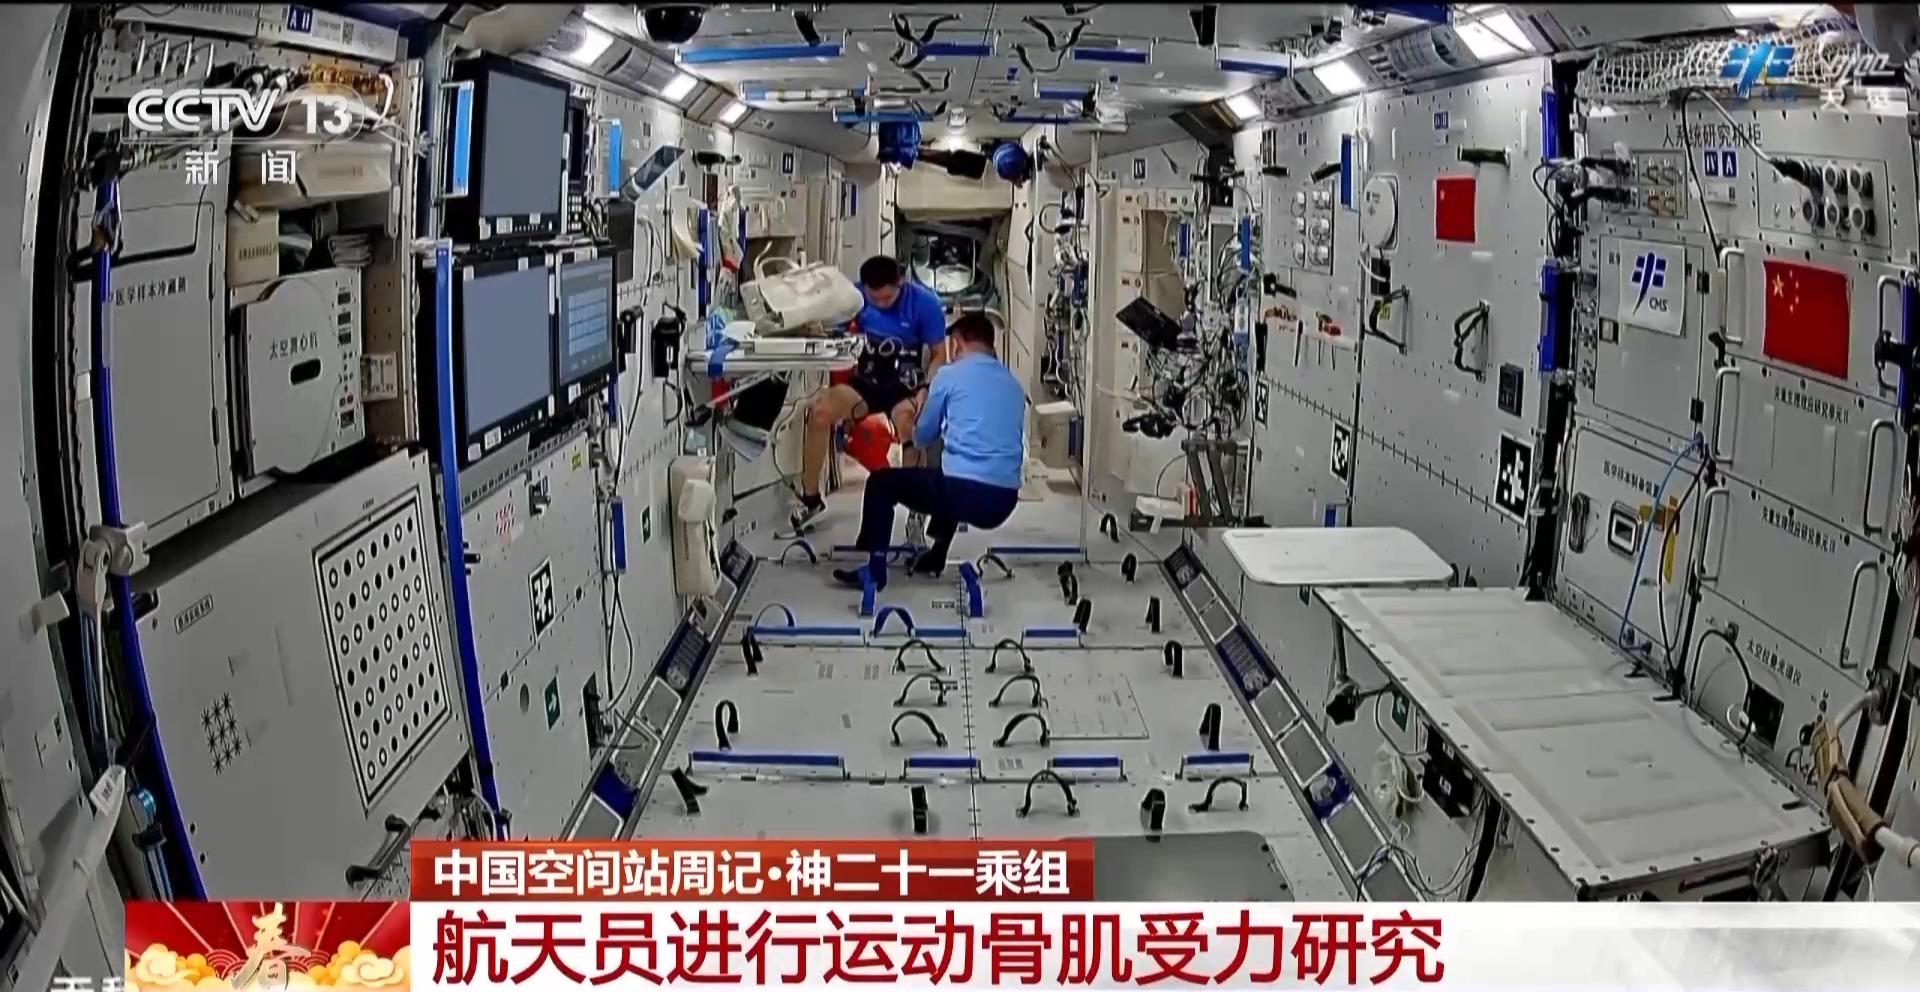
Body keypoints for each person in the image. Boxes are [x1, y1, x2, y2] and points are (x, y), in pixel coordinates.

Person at [833, 312, 1025, 589]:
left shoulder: (949, 375)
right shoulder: (1013, 385)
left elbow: (922, 437)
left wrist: (918, 408)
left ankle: (874, 569)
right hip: (1003, 502)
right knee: (950, 471)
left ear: (956, 346)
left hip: (962, 493)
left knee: (881, 484)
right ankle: (936, 557)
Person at [784, 255, 949, 536]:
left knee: (912, 429)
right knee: (820, 411)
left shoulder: (925, 303)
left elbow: (939, 355)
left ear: (900, 284)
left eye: (887, 299)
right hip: (867, 381)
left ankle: (917, 513)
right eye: (875, 299)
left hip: (905, 385)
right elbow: (828, 332)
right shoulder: (852, 297)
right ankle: (810, 499)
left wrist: (927, 389)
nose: (881, 304)